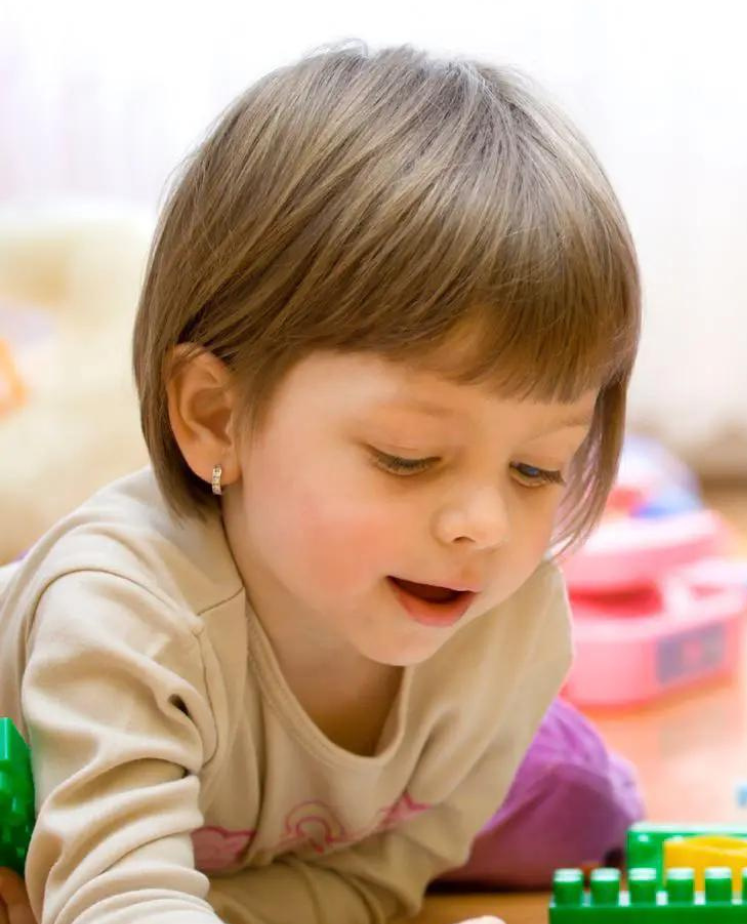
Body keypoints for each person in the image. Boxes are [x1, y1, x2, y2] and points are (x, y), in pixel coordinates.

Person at [0, 42, 640, 924]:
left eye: (537, 468)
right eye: (407, 457)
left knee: (592, 808)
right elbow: (123, 899)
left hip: (253, 830)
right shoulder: (123, 611)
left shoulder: (515, 630)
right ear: (218, 419)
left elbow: (375, 882)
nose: (483, 525)